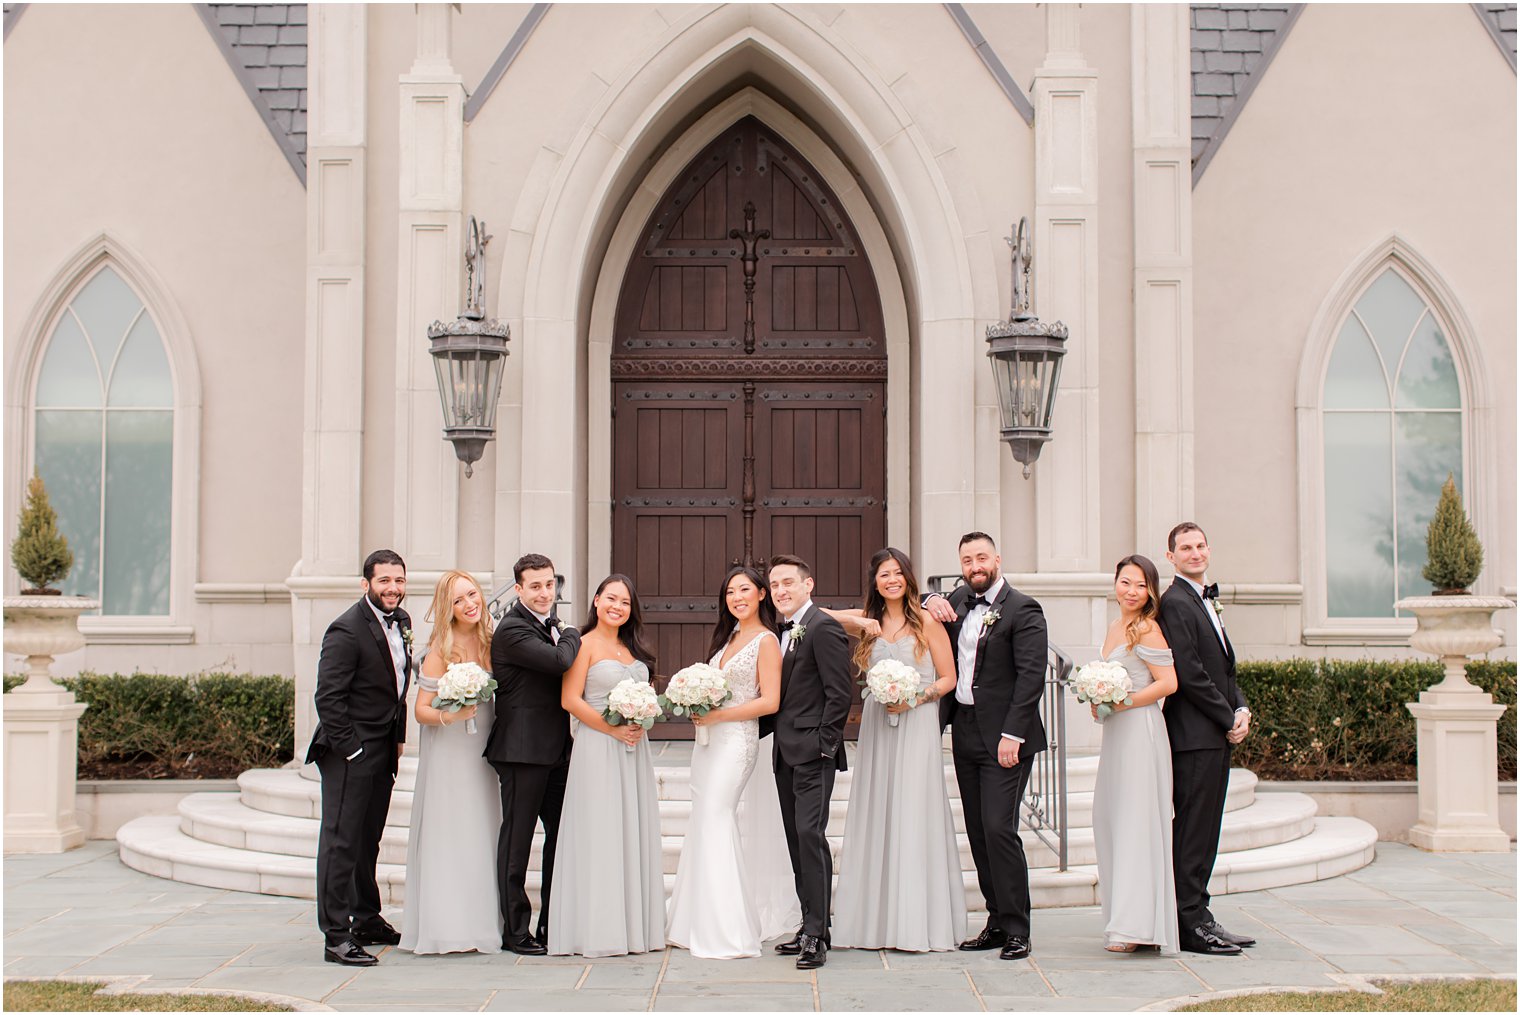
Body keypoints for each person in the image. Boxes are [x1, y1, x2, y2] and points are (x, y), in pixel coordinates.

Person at [828, 548, 965, 952]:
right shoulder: (869, 624)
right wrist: (858, 620)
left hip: (917, 720)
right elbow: (814, 616)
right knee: (878, 809)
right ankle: (874, 922)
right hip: (877, 722)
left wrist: (916, 698)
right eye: (883, 574)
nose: (891, 580)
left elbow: (949, 678)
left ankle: (913, 921)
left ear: (908, 578)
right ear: (874, 581)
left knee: (912, 809)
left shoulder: (925, 621)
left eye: (897, 573)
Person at [923, 532, 1047, 961]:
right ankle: (996, 921)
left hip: (1006, 737)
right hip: (966, 729)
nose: (975, 566)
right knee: (977, 830)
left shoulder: (1023, 609)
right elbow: (921, 601)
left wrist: (1013, 734)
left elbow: (1032, 677)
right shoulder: (959, 599)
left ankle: (1017, 927)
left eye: (981, 558)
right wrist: (926, 600)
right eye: (967, 560)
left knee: (999, 827)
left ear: (997, 558)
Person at [666, 565, 798, 959]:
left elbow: (769, 701)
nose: (737, 598)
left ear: (761, 594)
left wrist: (719, 715)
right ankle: (696, 921)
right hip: (708, 743)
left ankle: (726, 930)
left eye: (744, 590)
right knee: (702, 821)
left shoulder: (767, 641)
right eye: (729, 593)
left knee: (717, 818)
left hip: (737, 742)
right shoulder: (729, 639)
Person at [548, 574, 665, 957]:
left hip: (634, 750)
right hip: (599, 747)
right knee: (601, 832)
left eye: (625, 602)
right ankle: (599, 929)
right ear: (596, 601)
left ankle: (633, 927)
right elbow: (570, 699)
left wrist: (641, 718)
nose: (617, 607)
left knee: (629, 829)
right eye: (611, 599)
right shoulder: (582, 645)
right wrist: (612, 730)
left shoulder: (633, 649)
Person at [307, 549, 413, 967]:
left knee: (368, 838)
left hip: (383, 749)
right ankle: (335, 935)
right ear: (366, 583)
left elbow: (397, 685)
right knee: (341, 841)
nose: (393, 588)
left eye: (399, 580)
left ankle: (366, 918)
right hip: (348, 751)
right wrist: (352, 750)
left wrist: (398, 739)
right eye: (385, 581)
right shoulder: (346, 630)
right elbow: (327, 699)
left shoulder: (401, 622)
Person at [1158, 523, 1255, 956]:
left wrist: (1242, 709)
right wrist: (1224, 716)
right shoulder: (1175, 603)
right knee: (1193, 831)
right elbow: (1191, 675)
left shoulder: (1205, 600)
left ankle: (1201, 912)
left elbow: (1226, 668)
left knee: (1207, 829)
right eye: (1185, 548)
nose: (1194, 554)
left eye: (1199, 546)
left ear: (1208, 550)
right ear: (1171, 557)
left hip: (1215, 732)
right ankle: (1188, 922)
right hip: (1193, 737)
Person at [400, 570, 504, 955]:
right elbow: (421, 711)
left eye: (472, 594)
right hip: (449, 752)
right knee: (451, 830)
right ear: (448, 608)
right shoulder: (439, 649)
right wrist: (452, 715)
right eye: (459, 600)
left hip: (482, 756)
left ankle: (482, 921)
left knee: (482, 828)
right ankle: (447, 925)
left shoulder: (491, 642)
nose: (469, 604)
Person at [486, 554, 580, 956]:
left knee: (561, 837)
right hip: (522, 752)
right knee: (518, 842)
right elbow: (562, 661)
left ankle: (551, 920)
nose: (545, 593)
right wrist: (573, 631)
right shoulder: (512, 630)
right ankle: (515, 929)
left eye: (549, 585)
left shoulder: (545, 626)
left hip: (557, 751)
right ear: (519, 589)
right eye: (536, 586)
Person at [764, 554, 853, 969]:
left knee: (811, 838)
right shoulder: (780, 632)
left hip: (813, 754)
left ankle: (817, 935)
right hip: (784, 752)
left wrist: (825, 745)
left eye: (788, 583)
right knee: (797, 841)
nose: (781, 591)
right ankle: (809, 924)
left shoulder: (823, 627)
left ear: (808, 584)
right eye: (775, 585)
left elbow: (840, 693)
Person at [1089, 555, 1179, 955]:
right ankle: (1122, 917)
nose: (1131, 591)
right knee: (1112, 819)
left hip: (1141, 732)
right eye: (1125, 582)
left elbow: (1169, 683)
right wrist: (1098, 700)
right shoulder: (1114, 626)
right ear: (1115, 583)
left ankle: (1137, 925)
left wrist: (1124, 702)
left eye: (1140, 585)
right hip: (1117, 735)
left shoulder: (1147, 629)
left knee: (1136, 822)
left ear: (1151, 591)